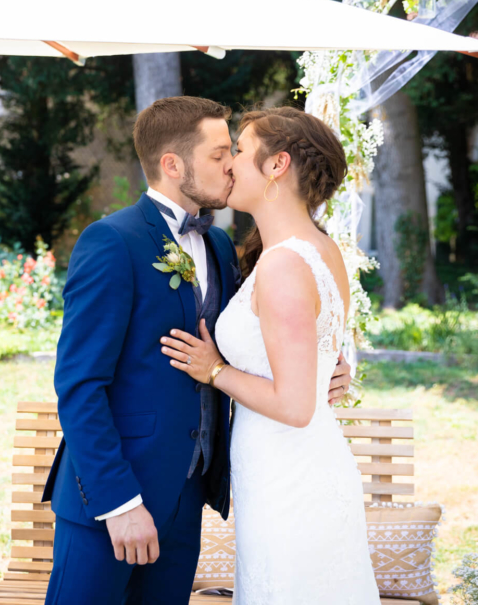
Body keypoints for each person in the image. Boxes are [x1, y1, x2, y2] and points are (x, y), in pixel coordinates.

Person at [42, 98, 354, 605]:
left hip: (187, 502)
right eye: (218, 154)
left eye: (234, 151)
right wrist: (119, 503)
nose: (230, 164)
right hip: (114, 504)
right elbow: (79, 385)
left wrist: (328, 367)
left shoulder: (221, 247)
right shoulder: (112, 241)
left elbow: (268, 336)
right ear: (173, 165)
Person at [160, 107, 380, 604]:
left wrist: (214, 370)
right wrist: (331, 372)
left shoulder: (285, 264)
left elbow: (295, 405)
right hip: (287, 467)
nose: (230, 163)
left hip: (291, 479)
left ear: (277, 165)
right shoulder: (319, 250)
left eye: (239, 150)